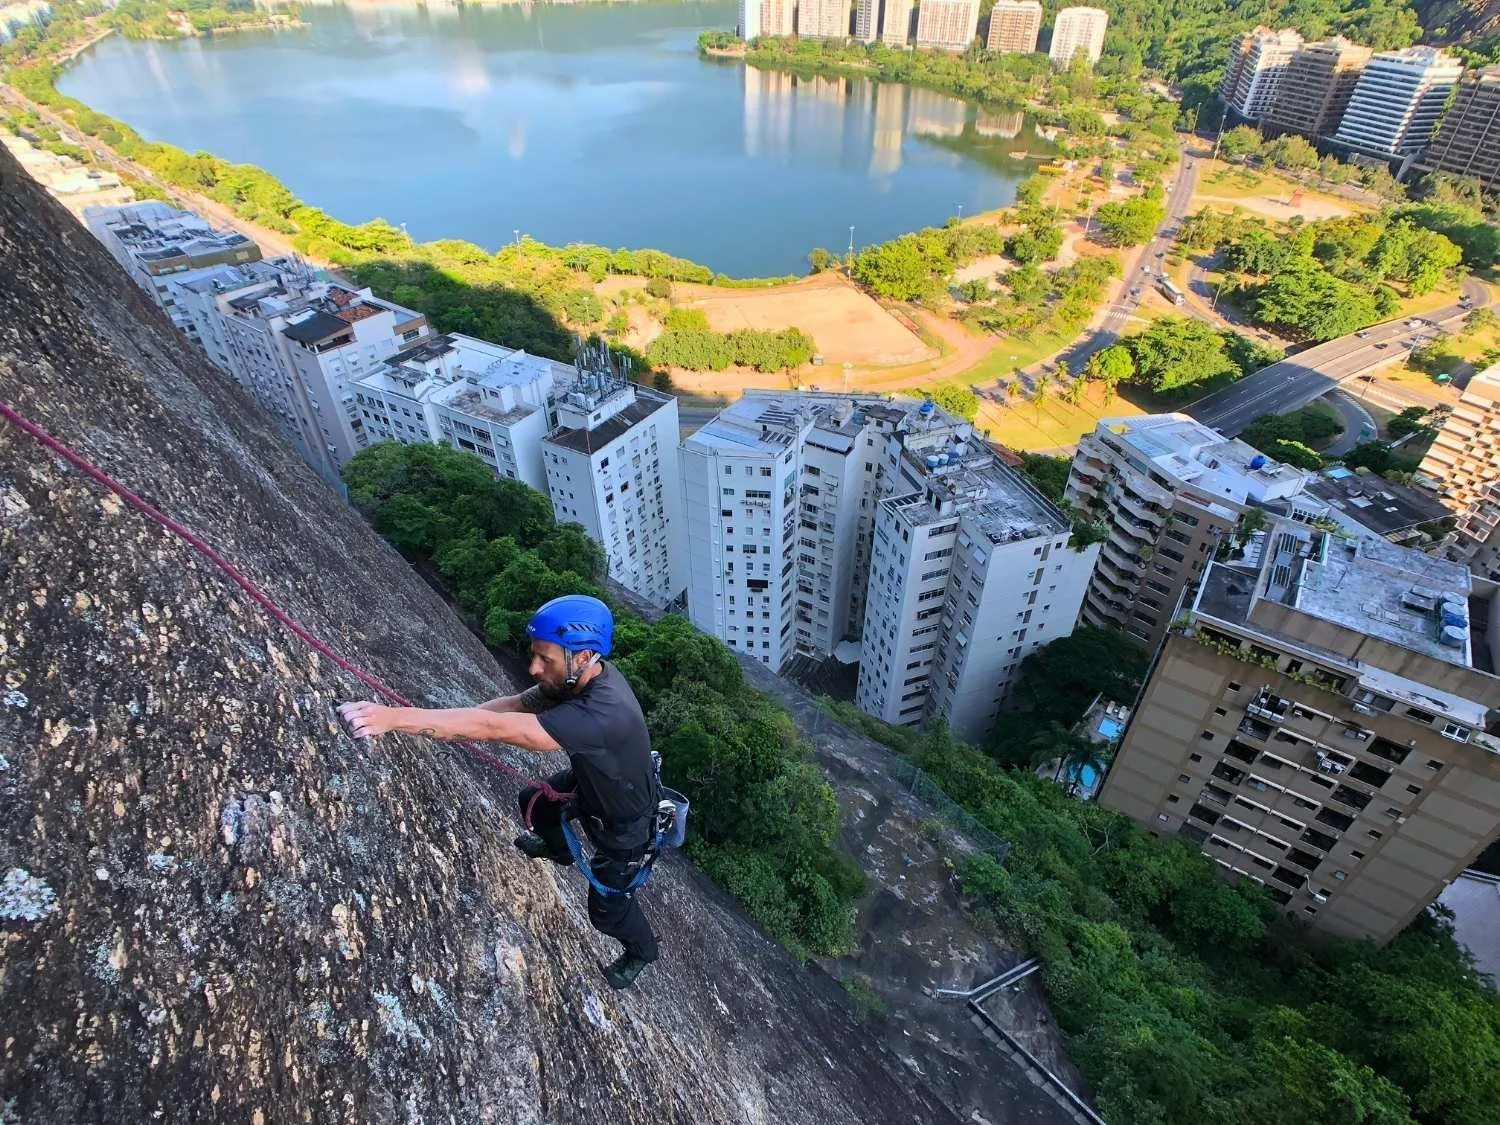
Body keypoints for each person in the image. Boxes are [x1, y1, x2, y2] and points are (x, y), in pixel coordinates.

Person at [337, 594, 661, 990]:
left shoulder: (602, 712)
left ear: (583, 657)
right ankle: (559, 849)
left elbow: (497, 730)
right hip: (594, 783)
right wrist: (440, 719)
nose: (533, 667)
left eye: (546, 660)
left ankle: (643, 951)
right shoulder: (577, 677)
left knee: (606, 912)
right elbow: (509, 708)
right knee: (536, 804)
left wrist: (394, 719)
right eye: (535, 655)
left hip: (625, 822)